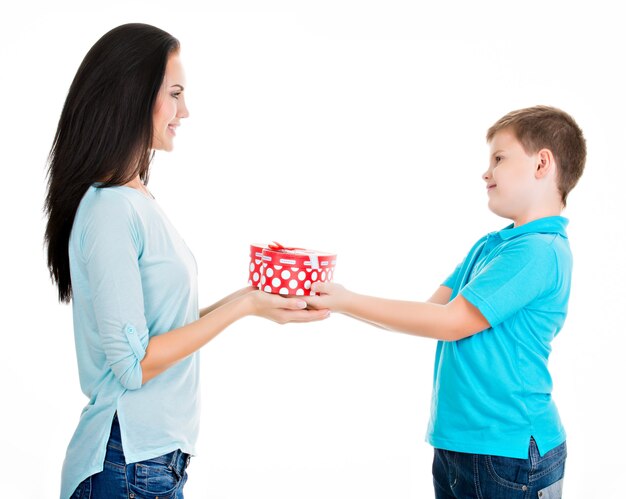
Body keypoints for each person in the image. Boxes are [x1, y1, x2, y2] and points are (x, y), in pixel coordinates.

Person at [44, 23, 328, 499]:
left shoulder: (135, 201)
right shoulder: (111, 209)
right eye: (175, 93)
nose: (185, 111)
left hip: (152, 463)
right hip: (125, 463)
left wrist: (253, 298)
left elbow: (160, 328)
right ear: (135, 96)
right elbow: (134, 366)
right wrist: (246, 309)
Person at [304, 106, 586, 498]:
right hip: (462, 444)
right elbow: (430, 314)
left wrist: (347, 299)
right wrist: (337, 301)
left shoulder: (539, 251)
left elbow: (451, 322)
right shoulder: (492, 246)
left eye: (499, 159)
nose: (486, 172)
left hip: (510, 454)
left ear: (542, 163)